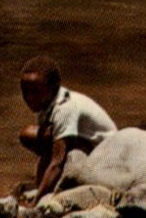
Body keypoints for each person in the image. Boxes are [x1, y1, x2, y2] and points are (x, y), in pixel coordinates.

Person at [17, 55, 117, 201]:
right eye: (25, 91)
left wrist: (36, 202)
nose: (30, 97)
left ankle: (54, 186)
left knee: (55, 145)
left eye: (36, 91)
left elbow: (57, 162)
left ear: (53, 88)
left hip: (106, 156)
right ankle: (45, 185)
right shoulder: (48, 104)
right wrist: (39, 186)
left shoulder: (64, 108)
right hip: (86, 144)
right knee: (29, 134)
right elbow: (46, 154)